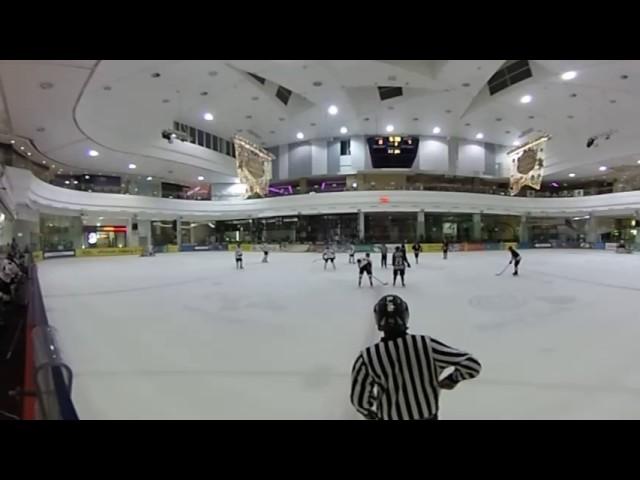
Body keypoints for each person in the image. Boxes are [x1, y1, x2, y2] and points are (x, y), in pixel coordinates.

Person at [350, 295, 482, 420]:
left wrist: (369, 413)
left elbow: (359, 400)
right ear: (405, 316)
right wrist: (453, 379)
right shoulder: (427, 345)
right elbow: (472, 365)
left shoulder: (368, 357)